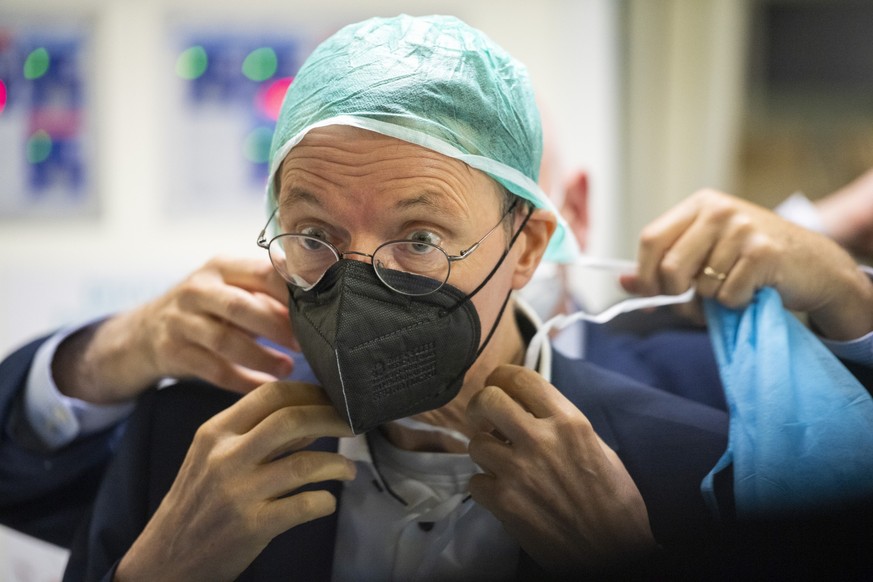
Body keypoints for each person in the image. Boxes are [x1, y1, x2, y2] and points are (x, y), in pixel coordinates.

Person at [54, 14, 873, 581]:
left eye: (419, 238)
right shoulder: (185, 445)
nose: (360, 277)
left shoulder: (694, 467)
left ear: (526, 247)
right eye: (313, 233)